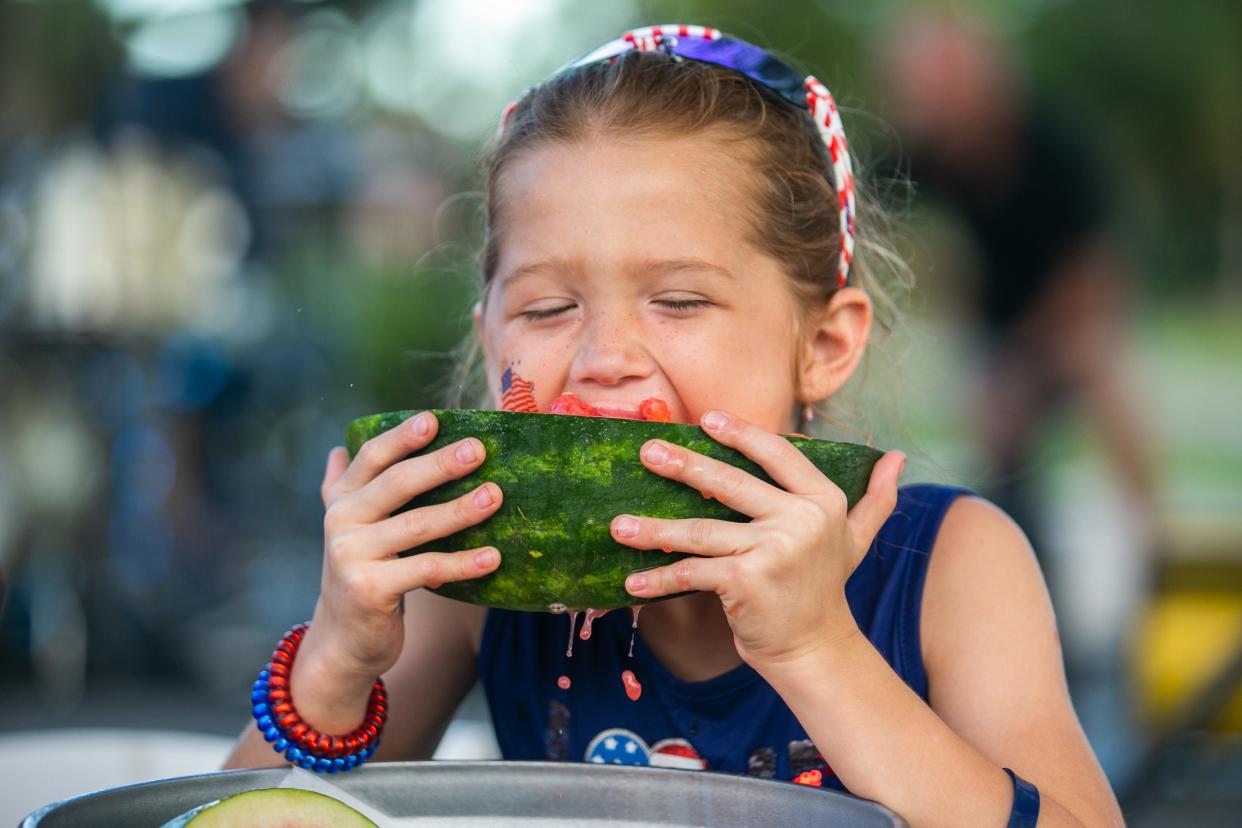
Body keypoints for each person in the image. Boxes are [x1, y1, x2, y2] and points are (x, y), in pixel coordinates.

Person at [224, 25, 1123, 827]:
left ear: (823, 344)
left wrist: (817, 648)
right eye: (545, 309)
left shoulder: (950, 565)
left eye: (680, 300)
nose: (603, 355)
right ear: (488, 336)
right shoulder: (465, 576)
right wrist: (337, 663)